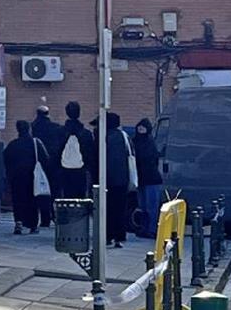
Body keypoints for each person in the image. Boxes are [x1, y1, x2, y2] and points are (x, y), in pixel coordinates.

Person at [91, 112, 131, 247]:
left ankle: (108, 236)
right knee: (120, 208)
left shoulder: (102, 137)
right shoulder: (123, 136)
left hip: (105, 179)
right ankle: (120, 236)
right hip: (122, 179)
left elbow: (95, 158)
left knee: (106, 209)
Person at [3, 120, 49, 234]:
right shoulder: (36, 143)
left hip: (16, 178)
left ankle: (18, 222)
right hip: (32, 177)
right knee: (32, 201)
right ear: (29, 129)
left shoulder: (12, 145)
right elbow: (45, 159)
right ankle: (32, 225)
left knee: (18, 200)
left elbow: (6, 160)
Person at [31, 101, 63, 225]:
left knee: (41, 190)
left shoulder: (33, 127)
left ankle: (45, 219)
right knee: (55, 191)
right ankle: (55, 215)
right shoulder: (56, 127)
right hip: (54, 164)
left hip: (38, 164)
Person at [133, 118, 163, 238]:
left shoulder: (149, 143)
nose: (141, 130)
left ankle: (152, 229)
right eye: (139, 128)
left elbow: (149, 159)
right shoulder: (136, 142)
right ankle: (145, 228)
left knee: (151, 207)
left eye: (143, 128)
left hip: (151, 179)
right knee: (143, 206)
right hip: (141, 179)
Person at [59, 101, 93, 199]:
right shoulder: (86, 134)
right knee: (81, 197)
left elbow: (56, 151)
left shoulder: (60, 132)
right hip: (81, 170)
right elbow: (90, 153)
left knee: (66, 197)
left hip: (64, 170)